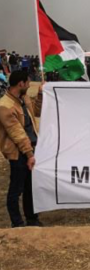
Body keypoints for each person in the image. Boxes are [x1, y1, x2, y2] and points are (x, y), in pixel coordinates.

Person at [0, 70, 43, 227]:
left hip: (30, 148)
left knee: (30, 187)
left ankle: (32, 219)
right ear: (21, 83)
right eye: (28, 83)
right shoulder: (5, 106)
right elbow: (17, 134)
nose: (29, 85)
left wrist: (40, 95)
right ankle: (17, 223)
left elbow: (36, 112)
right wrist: (29, 154)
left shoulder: (24, 99)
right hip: (18, 153)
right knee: (16, 189)